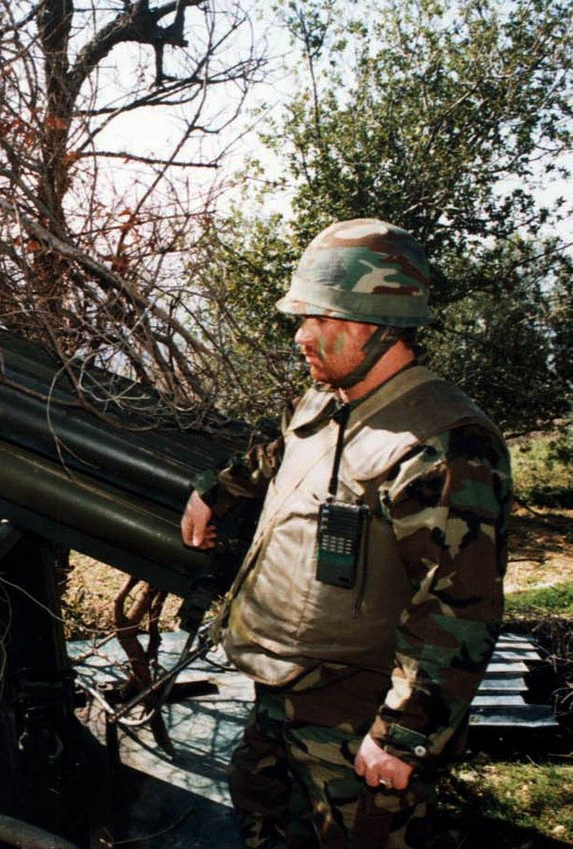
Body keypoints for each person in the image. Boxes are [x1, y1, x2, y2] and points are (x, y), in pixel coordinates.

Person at [181, 219, 511, 849]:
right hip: (282, 694)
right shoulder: (325, 397)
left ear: (379, 325)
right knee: (262, 815)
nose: (302, 335)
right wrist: (214, 490)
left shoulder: (442, 444)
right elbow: (280, 453)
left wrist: (403, 735)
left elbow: (459, 606)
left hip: (358, 716)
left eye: (322, 318)